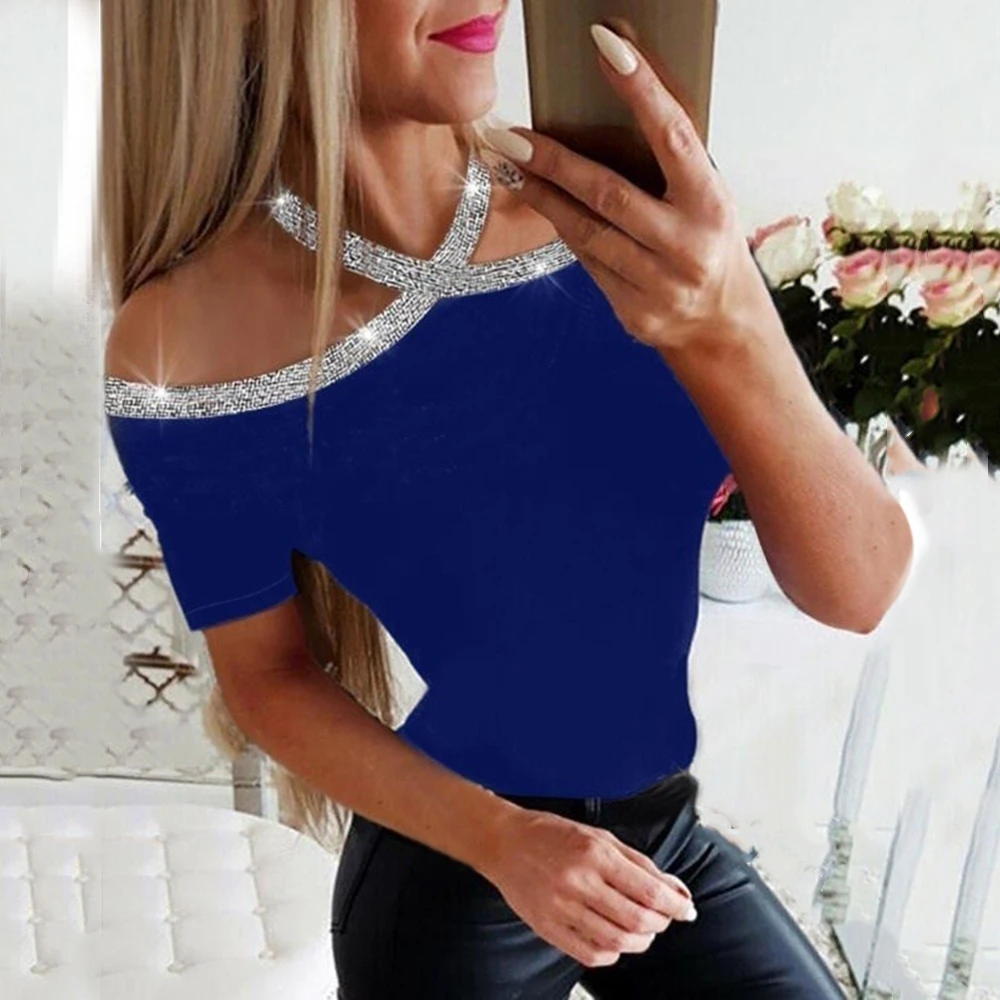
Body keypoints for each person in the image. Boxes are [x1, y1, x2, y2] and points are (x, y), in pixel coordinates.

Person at [99, 2, 917, 996]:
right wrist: (505, 841)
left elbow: (858, 589)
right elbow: (267, 678)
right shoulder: (185, 347)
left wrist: (732, 319)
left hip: (663, 838)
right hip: (453, 877)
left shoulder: (636, 223)